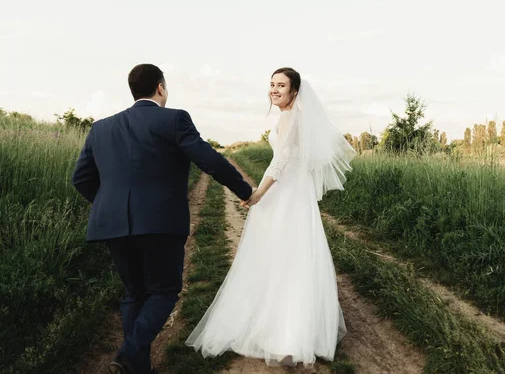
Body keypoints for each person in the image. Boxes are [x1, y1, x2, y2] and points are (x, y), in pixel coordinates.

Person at [71, 64, 254, 374]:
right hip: (160, 223)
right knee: (165, 291)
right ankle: (128, 354)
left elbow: (81, 178)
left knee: (134, 294)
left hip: (113, 225)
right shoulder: (174, 119)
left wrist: (110, 206)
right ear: (160, 88)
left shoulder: (101, 128)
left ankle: (136, 369)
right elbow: (209, 159)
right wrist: (245, 191)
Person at [186, 67, 357, 367]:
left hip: (287, 196)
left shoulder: (292, 117)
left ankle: (289, 338)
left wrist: (258, 194)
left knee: (283, 258)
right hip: (295, 195)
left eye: (281, 85)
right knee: (292, 257)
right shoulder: (289, 117)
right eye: (271, 84)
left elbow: (282, 162)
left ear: (294, 91)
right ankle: (294, 332)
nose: (274, 90)